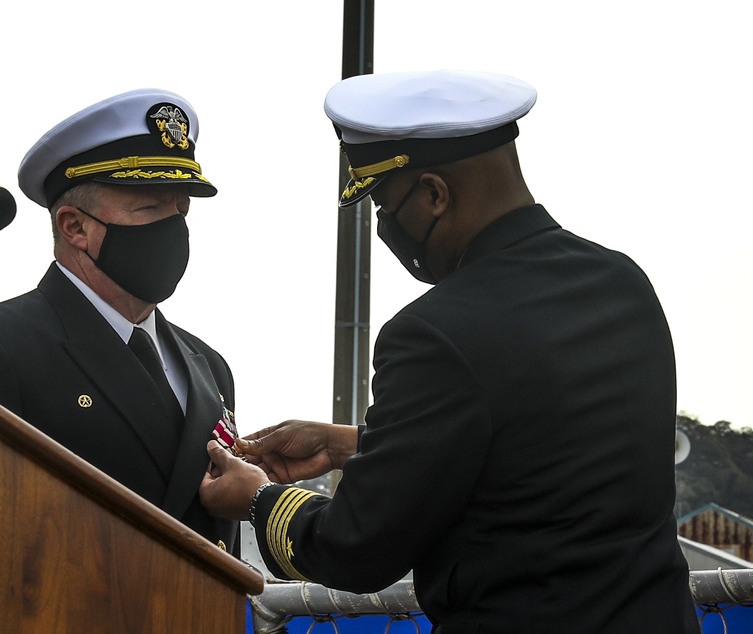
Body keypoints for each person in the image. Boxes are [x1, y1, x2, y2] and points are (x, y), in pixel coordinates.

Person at [200, 70, 700, 632]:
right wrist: (351, 444)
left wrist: (259, 499)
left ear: (435, 194)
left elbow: (359, 547)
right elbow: (546, 447)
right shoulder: (622, 283)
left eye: (387, 208)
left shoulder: (436, 333)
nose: (387, 226)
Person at [0, 88, 240, 554]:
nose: (173, 226)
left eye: (181, 209)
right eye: (149, 208)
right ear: (75, 227)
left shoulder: (209, 366)